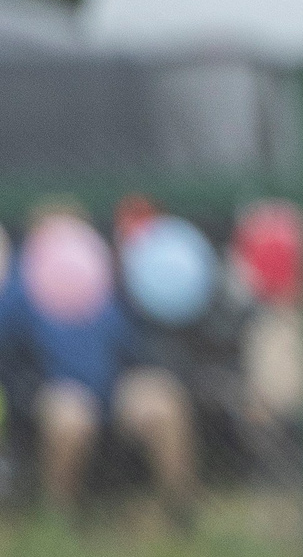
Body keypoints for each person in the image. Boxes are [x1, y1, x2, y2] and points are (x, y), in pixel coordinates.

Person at [0, 209, 196, 527]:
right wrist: (34, 389)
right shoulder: (20, 293)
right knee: (71, 417)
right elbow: (11, 362)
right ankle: (59, 519)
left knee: (164, 401)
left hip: (113, 388)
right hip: (56, 392)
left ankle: (179, 511)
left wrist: (144, 372)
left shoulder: (108, 284)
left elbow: (136, 347)